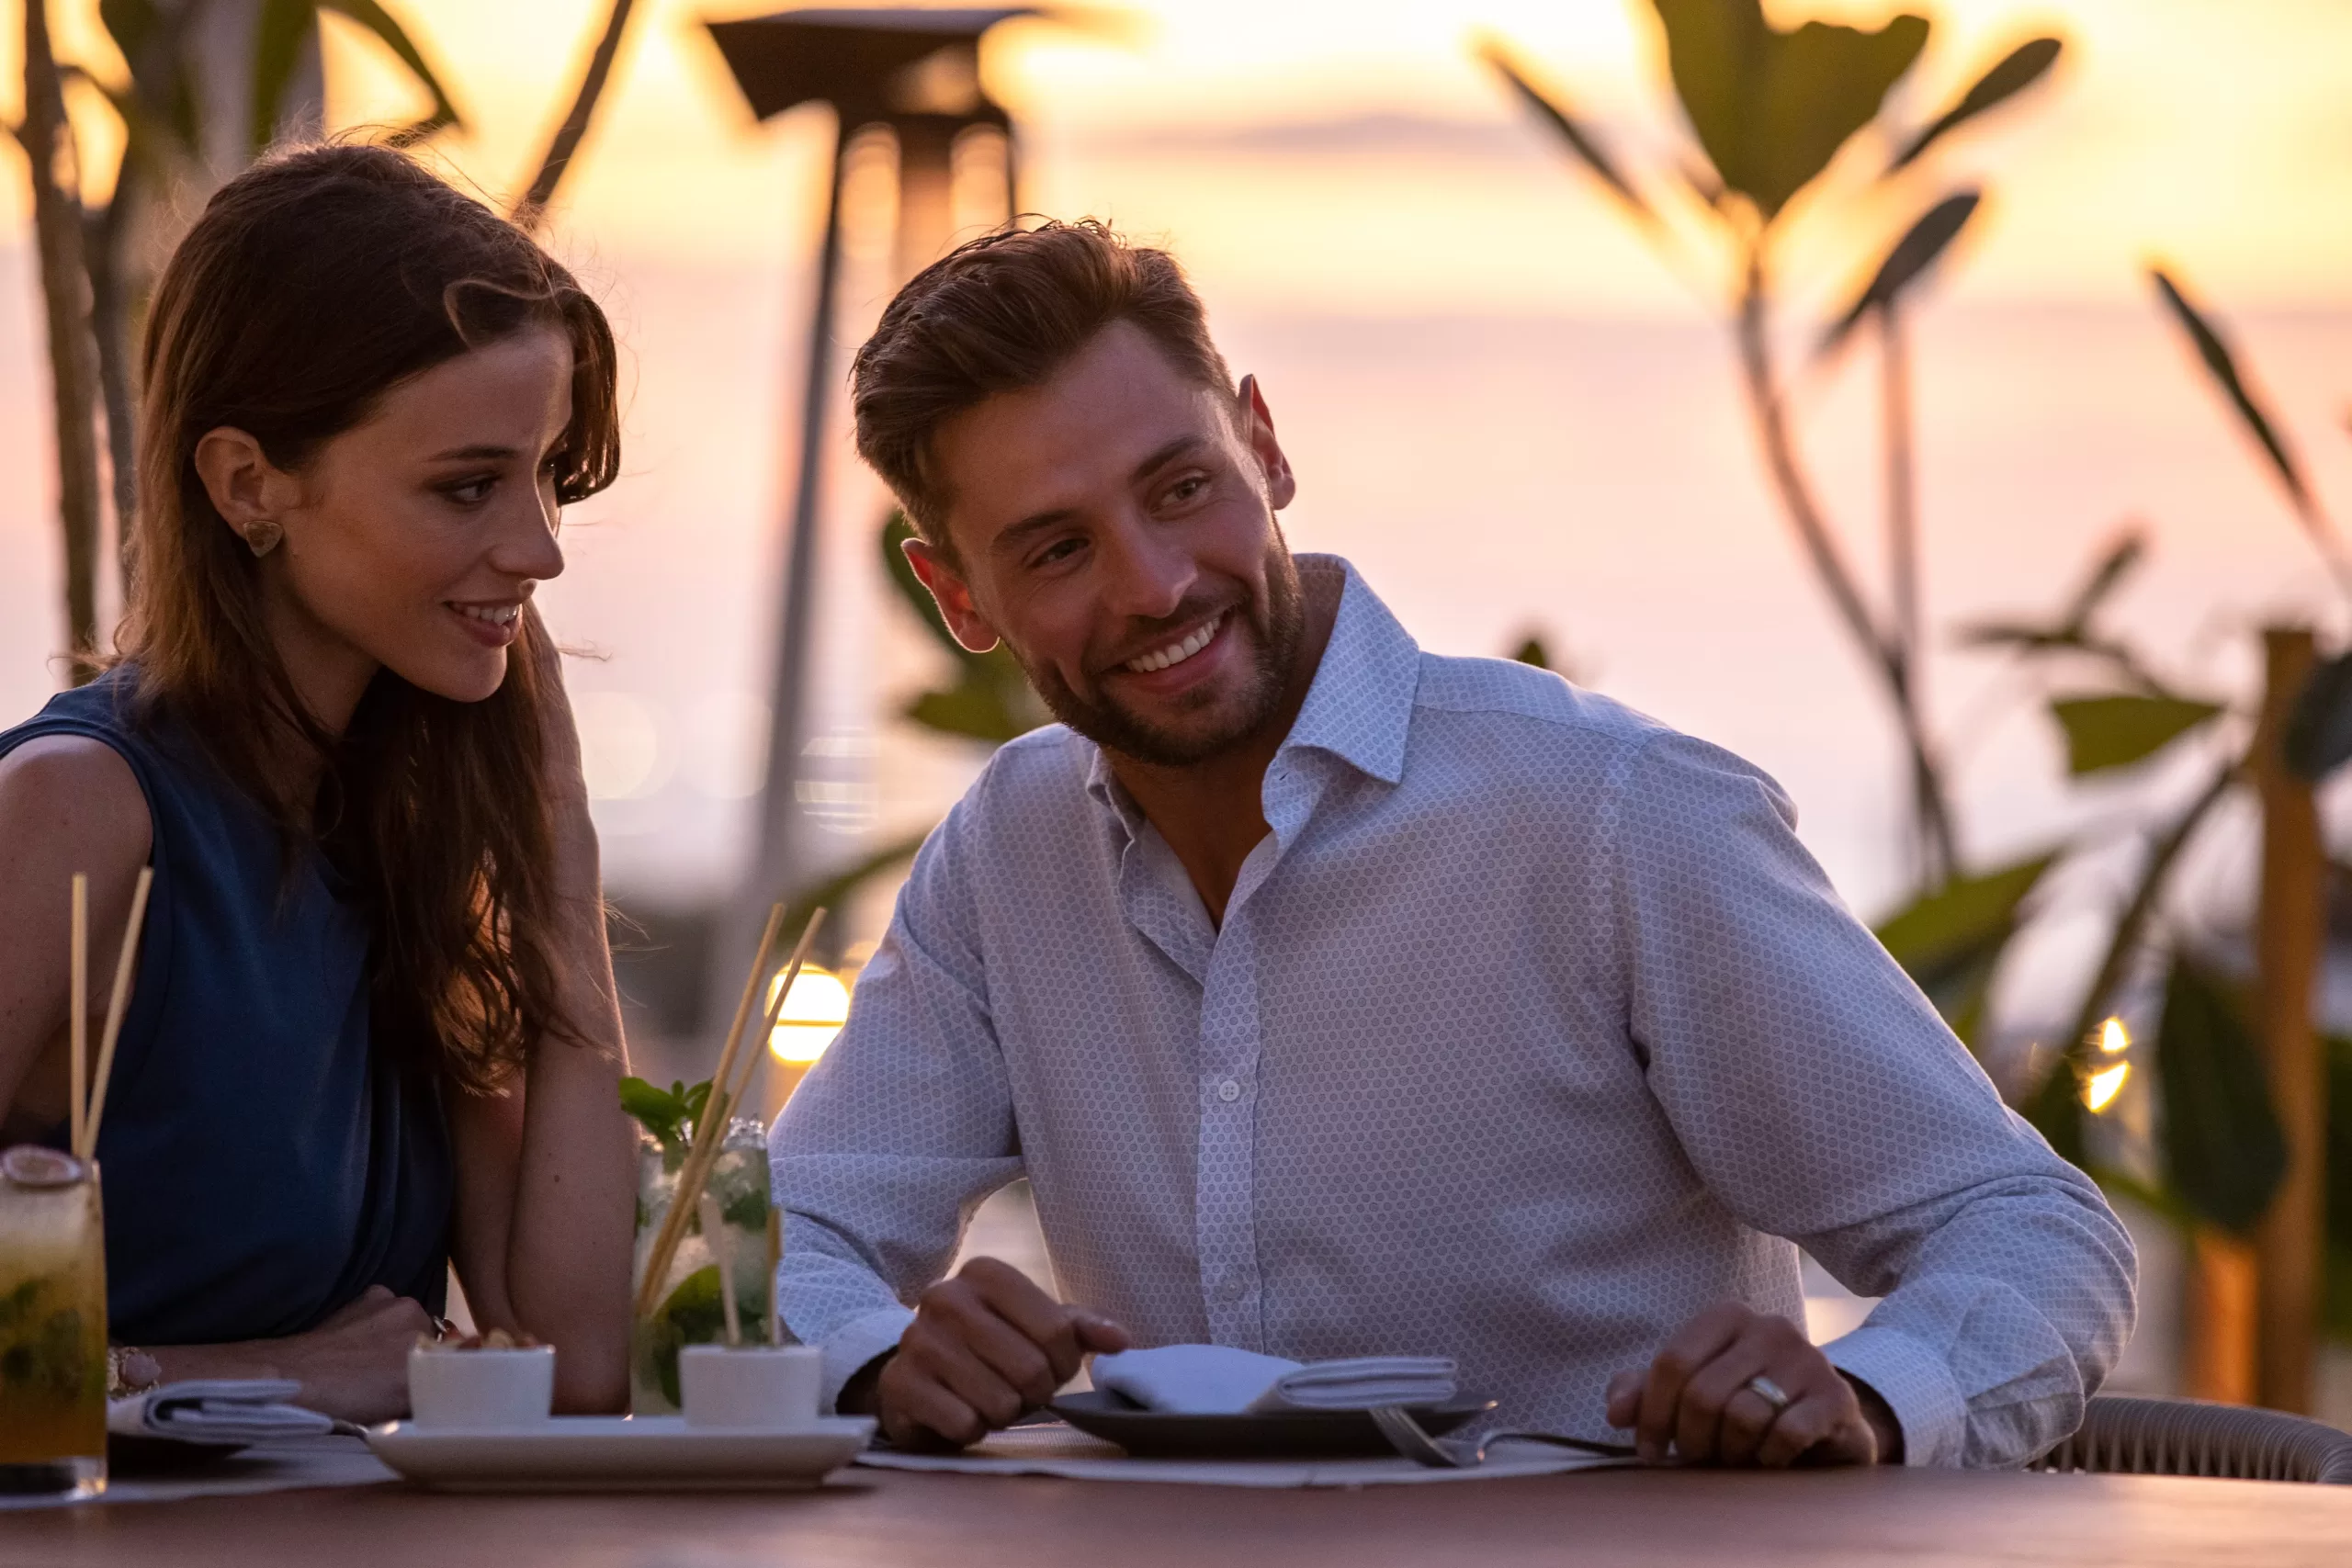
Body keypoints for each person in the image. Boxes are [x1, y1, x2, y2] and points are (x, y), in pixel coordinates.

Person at [770, 220, 2137, 1469]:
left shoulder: (1614, 815)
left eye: (1182, 486)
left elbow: (2030, 1227)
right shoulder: (1006, 858)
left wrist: (1874, 1397)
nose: (1156, 583)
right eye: (1058, 549)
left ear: (1262, 441)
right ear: (956, 593)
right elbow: (780, 1240)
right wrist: (880, 1353)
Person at [0, 144, 637, 1421]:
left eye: (547, 476)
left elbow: (571, 1359)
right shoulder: (80, 811)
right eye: (468, 484)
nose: (539, 549)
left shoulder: (399, 835)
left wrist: (560, 854)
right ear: (249, 486)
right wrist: (258, 1376)